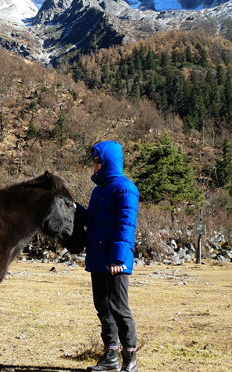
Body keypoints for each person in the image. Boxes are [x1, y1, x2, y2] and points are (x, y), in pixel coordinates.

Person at [74, 140, 139, 372]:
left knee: (120, 309)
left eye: (98, 161)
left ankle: (130, 362)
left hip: (115, 262)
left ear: (109, 161)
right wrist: (73, 207)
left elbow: (126, 225)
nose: (95, 166)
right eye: (94, 162)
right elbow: (92, 219)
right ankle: (110, 357)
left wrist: (118, 259)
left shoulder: (126, 189)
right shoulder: (98, 190)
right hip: (98, 259)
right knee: (103, 307)